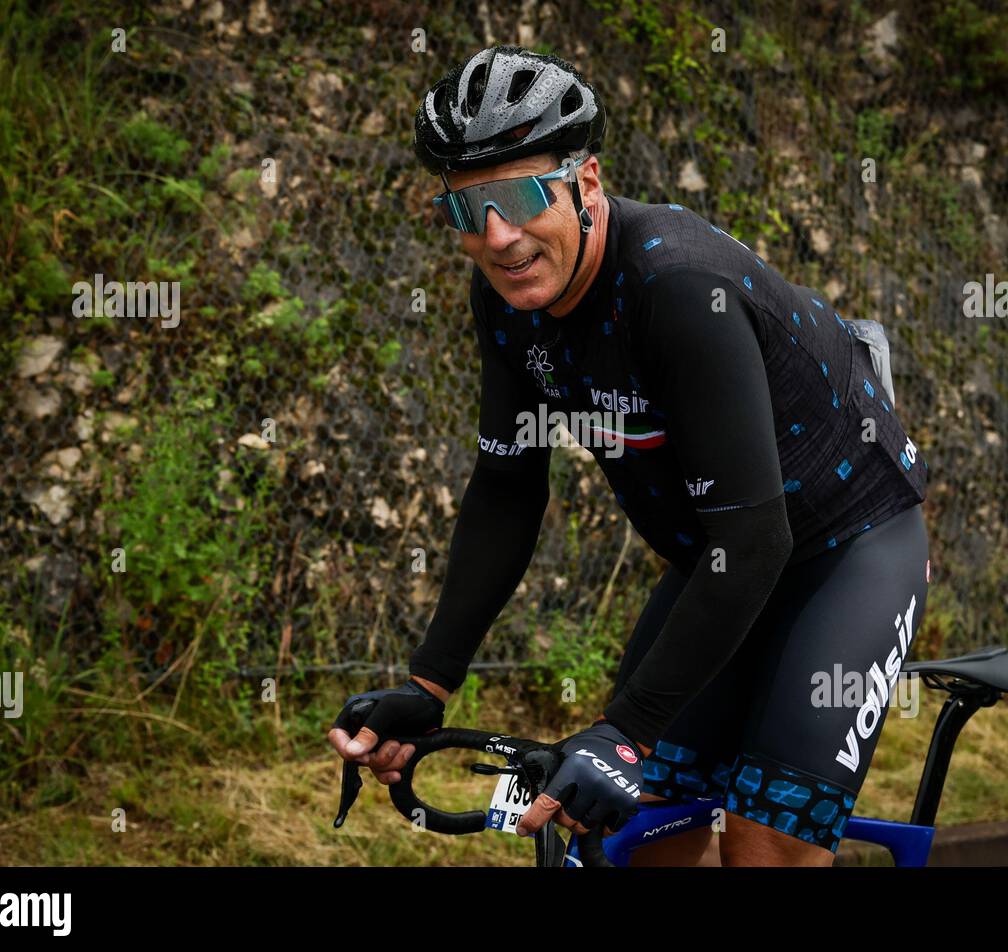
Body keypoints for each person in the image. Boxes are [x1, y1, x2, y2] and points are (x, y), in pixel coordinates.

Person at [328, 45, 931, 867]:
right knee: (639, 831)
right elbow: (507, 486)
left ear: (587, 183)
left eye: (520, 196)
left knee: (762, 845)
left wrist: (625, 732)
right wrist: (428, 685)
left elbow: (757, 541)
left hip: (848, 545)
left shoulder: (677, 288)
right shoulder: (504, 301)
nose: (499, 237)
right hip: (716, 557)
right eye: (467, 211)